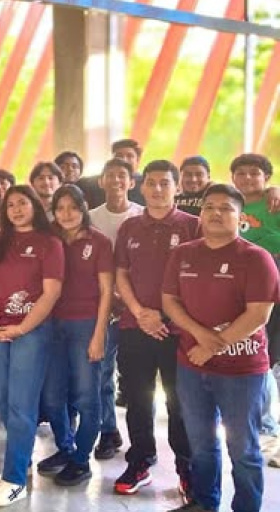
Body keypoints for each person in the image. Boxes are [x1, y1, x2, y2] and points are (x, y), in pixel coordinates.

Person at [161, 183, 279, 512]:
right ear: (200, 215)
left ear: (241, 218)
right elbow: (170, 301)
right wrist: (200, 337)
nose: (216, 213)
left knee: (243, 449)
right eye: (209, 207)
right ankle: (205, 502)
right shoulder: (183, 254)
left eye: (226, 208)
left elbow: (259, 314)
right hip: (191, 365)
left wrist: (213, 346)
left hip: (242, 371)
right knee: (201, 443)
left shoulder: (256, 258)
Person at [113, 160, 198, 498]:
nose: (158, 189)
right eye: (151, 183)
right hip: (135, 326)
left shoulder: (193, 226)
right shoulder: (130, 227)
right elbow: (121, 274)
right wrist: (140, 313)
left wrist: (166, 317)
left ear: (177, 187)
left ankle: (187, 467)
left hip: (179, 331)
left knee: (180, 403)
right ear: (141, 187)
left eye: (165, 183)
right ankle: (140, 461)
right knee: (137, 399)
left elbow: (200, 280)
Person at [0, 185, 64, 507]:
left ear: (35, 206)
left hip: (32, 332)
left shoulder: (49, 242)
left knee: (22, 405)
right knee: (6, 402)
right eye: (10, 204)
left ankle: (14, 480)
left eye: (22, 203)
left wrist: (22, 328)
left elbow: (51, 293)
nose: (16, 209)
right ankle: (21, 459)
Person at [37, 185, 114, 486]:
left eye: (73, 207)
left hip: (85, 325)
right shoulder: (49, 240)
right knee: (53, 396)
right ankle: (65, 448)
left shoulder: (99, 242)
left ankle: (81, 460)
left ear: (83, 208)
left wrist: (99, 335)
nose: (67, 214)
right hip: (51, 325)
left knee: (86, 396)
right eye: (60, 208)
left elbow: (107, 291)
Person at [88, 157, 145, 461]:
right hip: (105, 306)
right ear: (101, 181)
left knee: (137, 379)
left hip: (139, 307)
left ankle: (143, 441)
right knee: (102, 373)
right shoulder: (90, 218)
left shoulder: (142, 216)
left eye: (122, 175)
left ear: (132, 182)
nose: (116, 180)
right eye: (110, 175)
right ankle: (108, 430)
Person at [231, 153, 280, 462]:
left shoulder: (275, 203)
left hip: (276, 285)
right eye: (241, 173)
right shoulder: (229, 204)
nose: (248, 178)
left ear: (267, 177)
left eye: (255, 173)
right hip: (244, 292)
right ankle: (264, 429)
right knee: (258, 358)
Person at [78, 138, 146, 208]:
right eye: (119, 155)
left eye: (129, 156)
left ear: (137, 160)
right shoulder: (91, 184)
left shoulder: (146, 183)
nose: (124, 159)